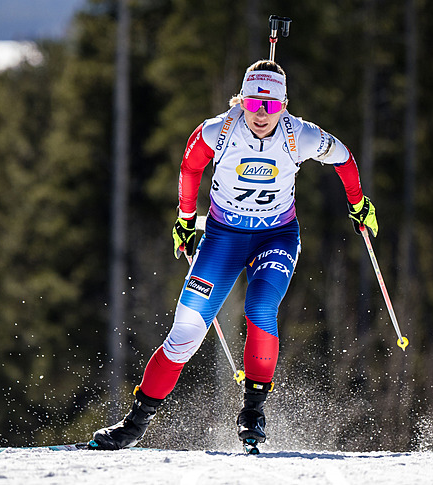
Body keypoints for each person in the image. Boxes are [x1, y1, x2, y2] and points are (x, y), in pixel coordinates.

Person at [89, 59, 378, 450]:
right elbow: (190, 168)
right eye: (254, 104)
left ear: (284, 105)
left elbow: (343, 157)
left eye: (272, 106)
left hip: (276, 237)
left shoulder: (300, 136)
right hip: (223, 238)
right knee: (185, 334)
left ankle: (253, 413)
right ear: (241, 101)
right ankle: (134, 426)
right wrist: (186, 219)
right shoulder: (217, 131)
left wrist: (358, 204)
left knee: (260, 308)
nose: (262, 114)